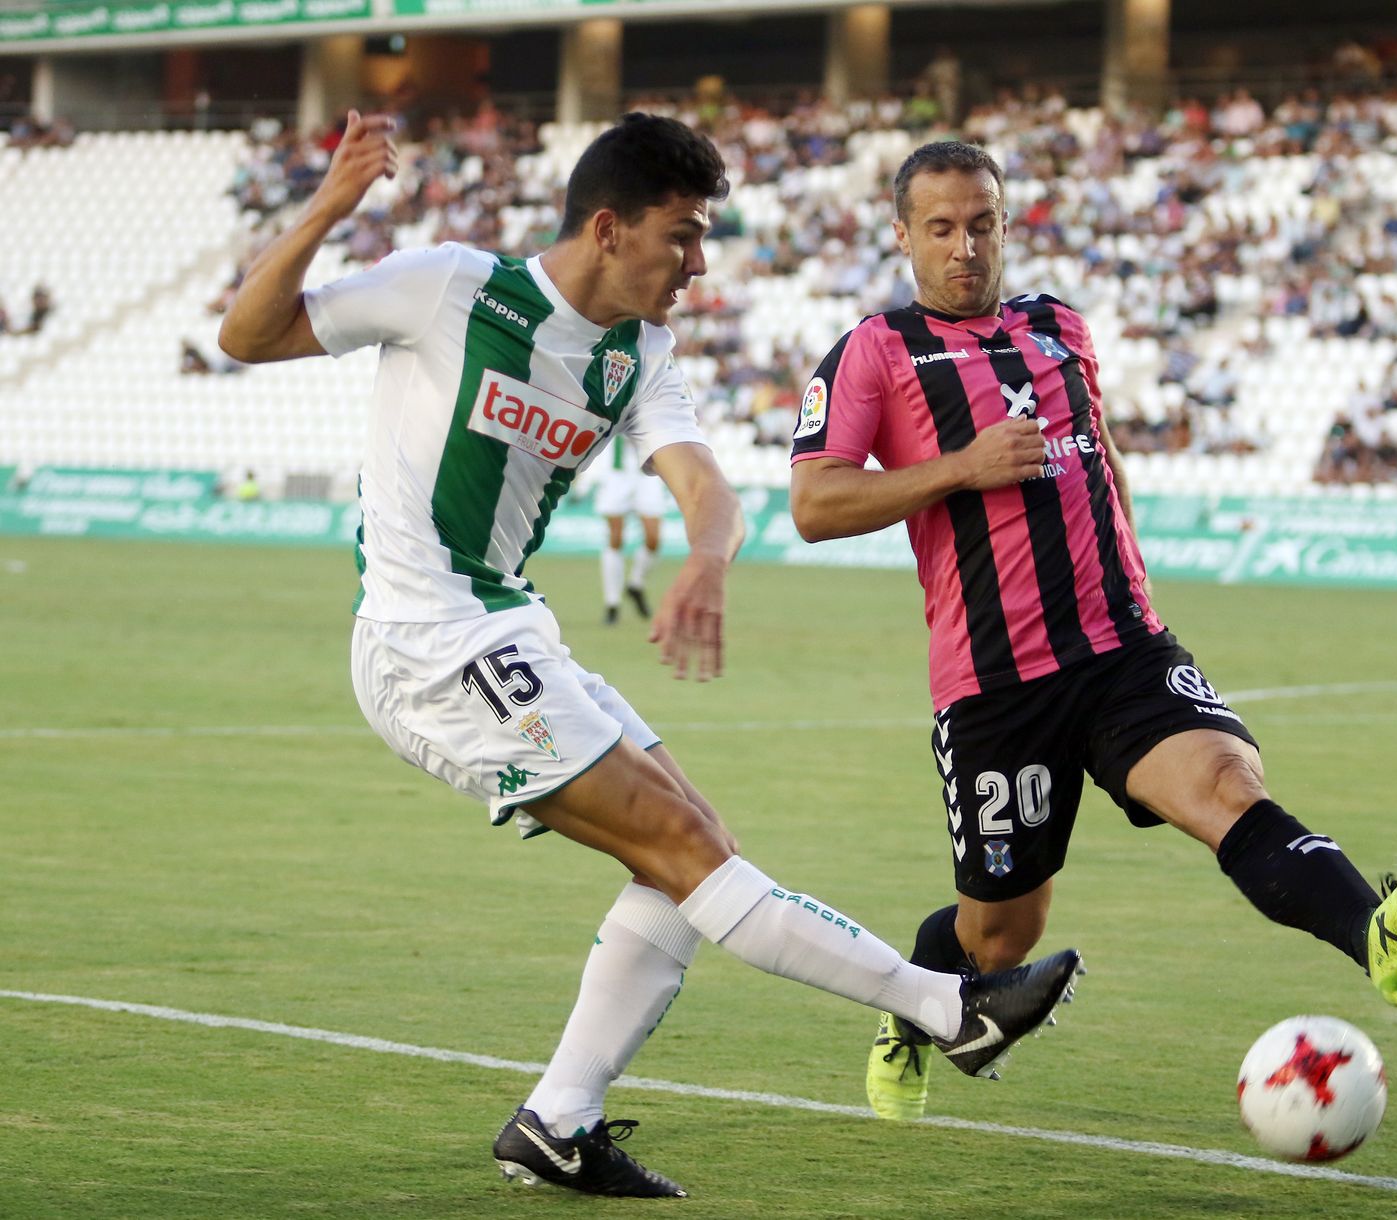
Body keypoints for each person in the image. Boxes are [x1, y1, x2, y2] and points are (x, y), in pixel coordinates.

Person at [219, 112, 1083, 1198]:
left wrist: (708, 558)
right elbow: (246, 337)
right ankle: (944, 1006)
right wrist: (331, 207)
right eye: (681, 237)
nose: (698, 264)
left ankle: (558, 1119)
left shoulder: (638, 352)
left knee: (688, 856)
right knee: (685, 845)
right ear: (608, 226)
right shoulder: (452, 288)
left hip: (507, 626)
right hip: (424, 639)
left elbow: (707, 486)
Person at [788, 140, 1397, 1123]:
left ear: (1006, 225)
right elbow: (814, 503)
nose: (963, 246)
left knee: (1227, 786)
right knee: (1000, 932)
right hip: (995, 683)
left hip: (1122, 648)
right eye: (939, 227)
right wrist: (961, 467)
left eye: (981, 223)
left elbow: (1099, 457)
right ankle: (911, 1008)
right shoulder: (874, 352)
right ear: (901, 234)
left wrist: (1135, 582)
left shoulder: (1061, 326)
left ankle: (1377, 934)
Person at [592, 432, 663, 625]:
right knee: (615, 537)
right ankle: (612, 603)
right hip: (616, 474)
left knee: (653, 538)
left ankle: (636, 584)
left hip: (646, 474)